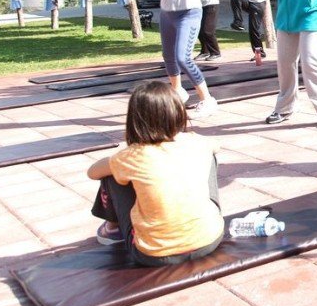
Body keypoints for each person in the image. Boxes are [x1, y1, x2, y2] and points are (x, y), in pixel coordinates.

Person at [87, 81, 223, 266]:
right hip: (209, 239)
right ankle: (201, 218)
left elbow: (93, 172)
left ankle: (112, 228)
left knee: (111, 174)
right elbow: (216, 146)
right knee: (210, 156)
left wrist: (118, 158)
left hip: (154, 253)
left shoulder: (132, 156)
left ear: (135, 119)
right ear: (178, 113)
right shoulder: (197, 142)